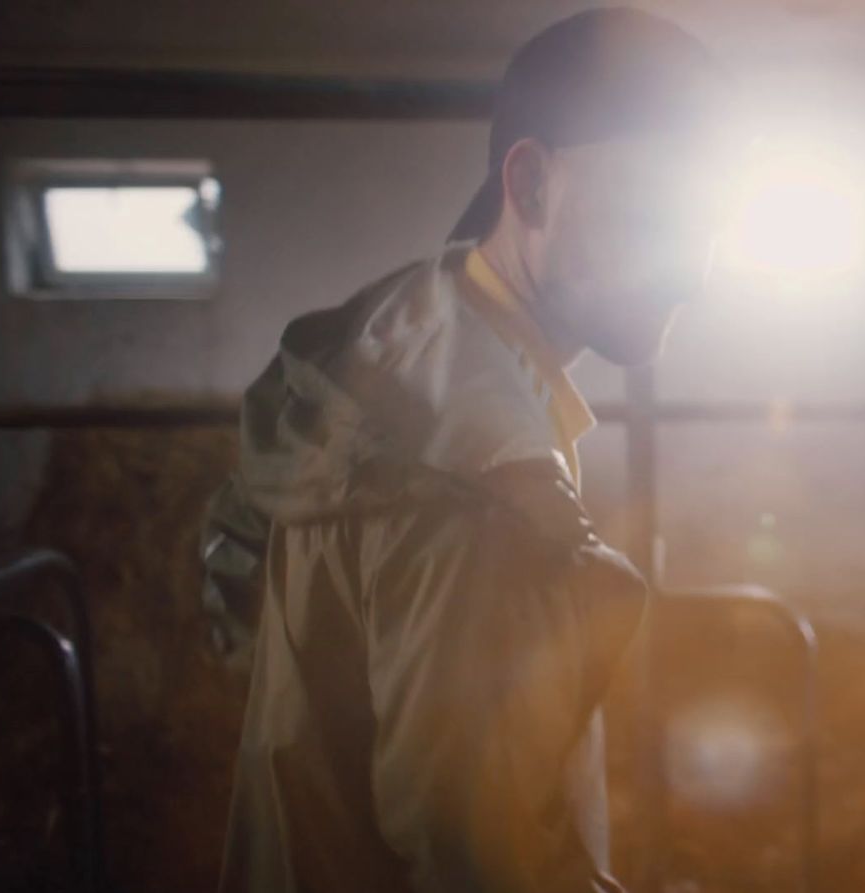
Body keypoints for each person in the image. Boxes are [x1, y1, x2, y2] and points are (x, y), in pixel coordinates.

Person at [201, 9, 735, 890]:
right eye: (662, 211)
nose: (695, 271)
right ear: (528, 187)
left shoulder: (388, 340)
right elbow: (480, 868)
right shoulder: (484, 493)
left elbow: (235, 604)